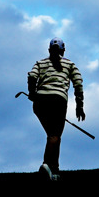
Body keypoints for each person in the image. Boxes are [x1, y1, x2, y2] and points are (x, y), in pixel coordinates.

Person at [27, 37, 85, 180]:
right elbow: (78, 84)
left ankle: (53, 169)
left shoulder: (40, 63)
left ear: (49, 50)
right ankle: (48, 167)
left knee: (52, 135)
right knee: (55, 135)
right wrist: (79, 106)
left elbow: (32, 76)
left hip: (40, 102)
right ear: (63, 50)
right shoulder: (70, 64)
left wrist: (32, 93)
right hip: (58, 100)